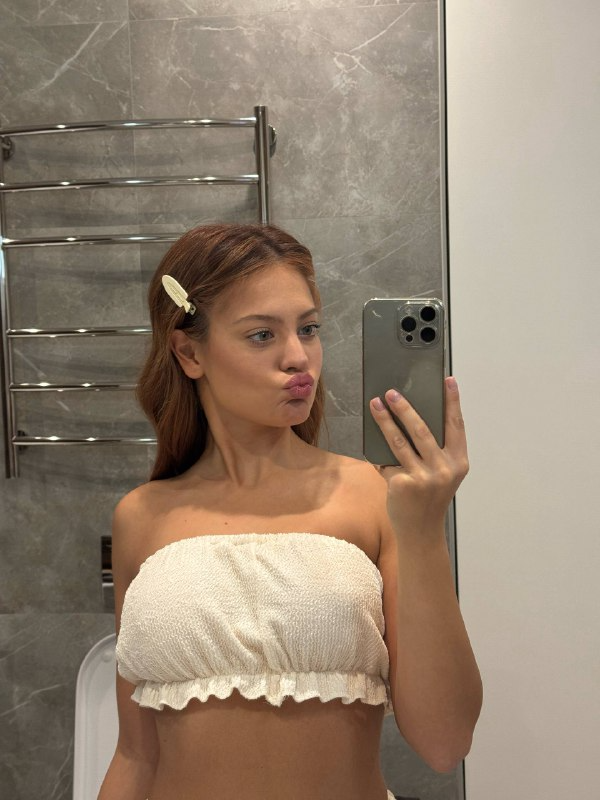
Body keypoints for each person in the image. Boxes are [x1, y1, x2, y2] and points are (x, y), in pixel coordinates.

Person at [98, 223, 482, 800]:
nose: (298, 357)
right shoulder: (140, 518)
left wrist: (425, 528)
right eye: (262, 335)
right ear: (189, 351)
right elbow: (135, 754)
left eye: (308, 328)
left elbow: (445, 742)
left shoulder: (376, 496)